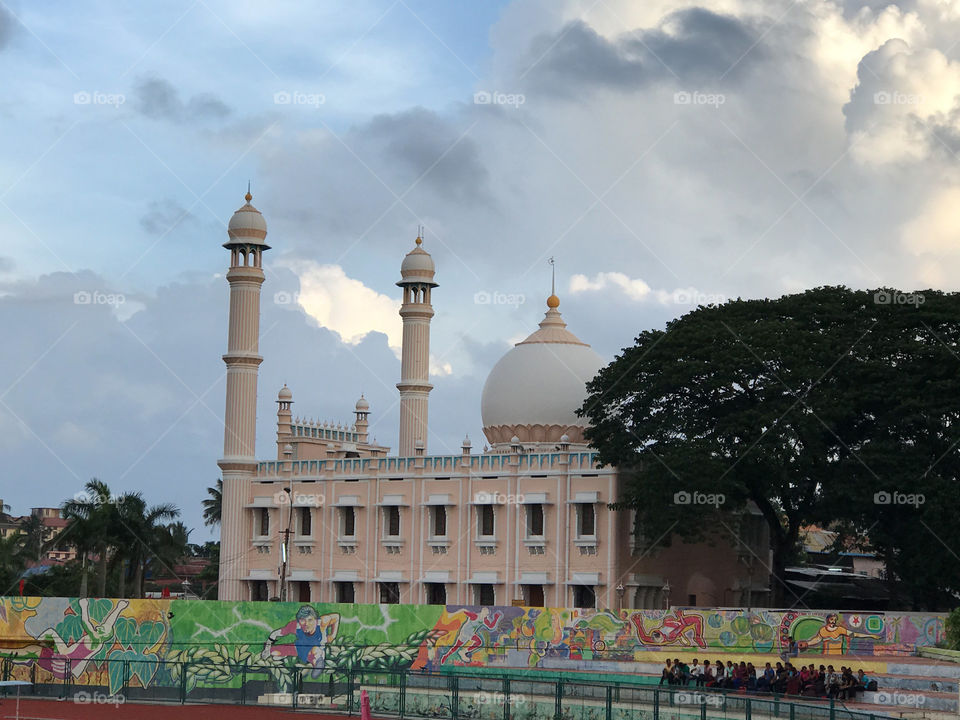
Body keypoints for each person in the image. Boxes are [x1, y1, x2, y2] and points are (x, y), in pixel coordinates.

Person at [261, 606, 341, 678]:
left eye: (310, 620)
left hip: (317, 648)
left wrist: (333, 635)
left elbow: (336, 617)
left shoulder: (323, 622)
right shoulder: (295, 626)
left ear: (315, 620)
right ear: (299, 621)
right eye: (303, 620)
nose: (306, 624)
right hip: (300, 647)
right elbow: (275, 633)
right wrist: (267, 648)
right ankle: (282, 656)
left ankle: (317, 664)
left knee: (316, 652)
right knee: (274, 652)